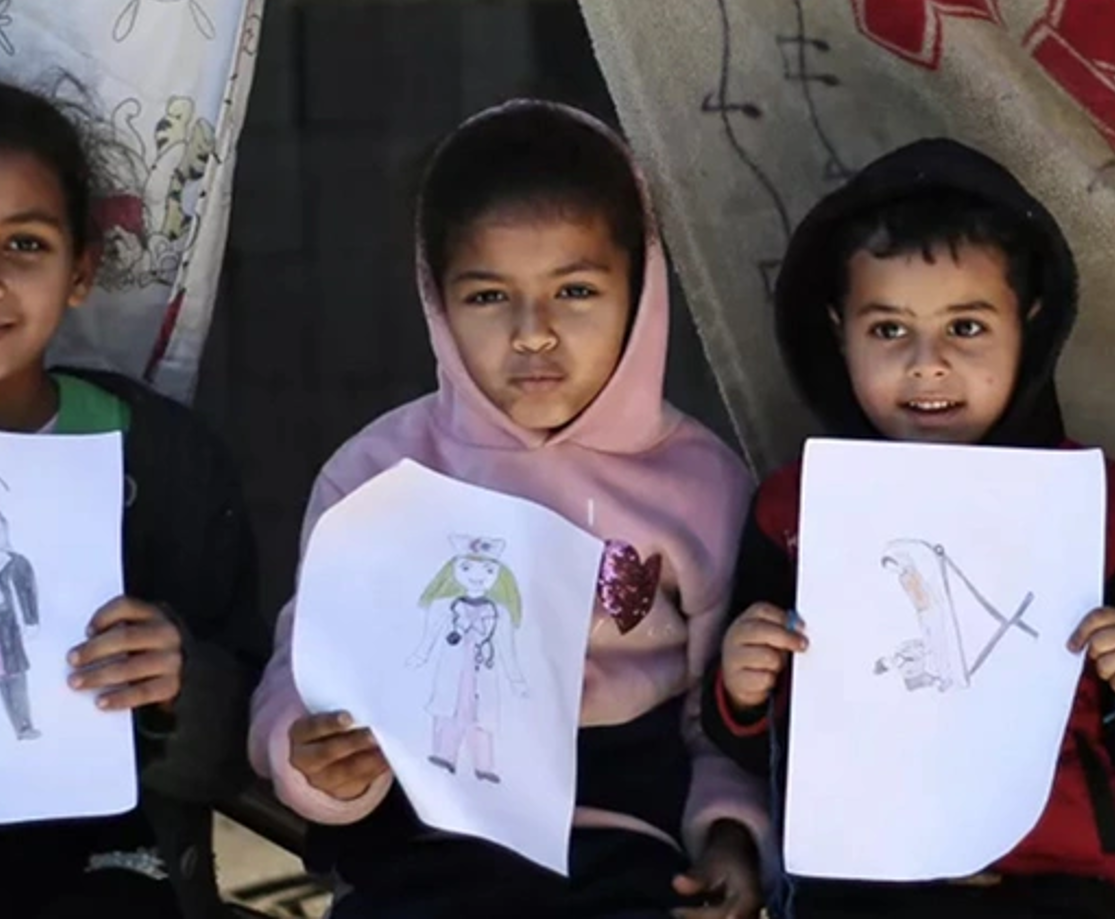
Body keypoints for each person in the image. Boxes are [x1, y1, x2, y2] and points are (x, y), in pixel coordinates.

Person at [247, 100, 768, 919]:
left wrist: (729, 835)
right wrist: (309, 759)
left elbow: (724, 721)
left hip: (626, 847)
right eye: (490, 296)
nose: (534, 333)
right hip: (423, 843)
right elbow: (303, 668)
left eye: (576, 290)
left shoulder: (703, 487)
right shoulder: (377, 477)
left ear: (643, 290)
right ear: (436, 299)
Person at [702, 138, 1115, 918]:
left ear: (1030, 323)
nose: (927, 364)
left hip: (1059, 886)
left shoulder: (1106, 507)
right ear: (838, 330)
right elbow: (751, 743)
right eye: (887, 330)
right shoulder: (795, 511)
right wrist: (741, 687)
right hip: (861, 885)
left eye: (967, 328)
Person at [0, 80, 265, 919]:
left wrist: (181, 683)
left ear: (81, 270)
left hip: (109, 864)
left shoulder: (160, 460)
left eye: (25, 245)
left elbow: (259, 715)